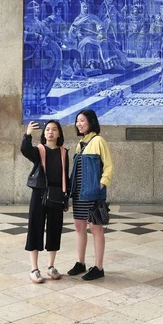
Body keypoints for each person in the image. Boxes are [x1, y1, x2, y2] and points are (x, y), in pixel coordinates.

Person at [21, 120, 69, 284]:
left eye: (54, 129)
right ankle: (34, 269)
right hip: (39, 193)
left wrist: (65, 198)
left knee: (55, 229)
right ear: (44, 134)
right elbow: (25, 150)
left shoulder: (63, 152)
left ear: (59, 134)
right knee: (35, 228)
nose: (50, 132)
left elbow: (65, 177)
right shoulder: (39, 150)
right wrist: (27, 134)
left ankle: (51, 266)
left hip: (56, 195)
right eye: (48, 129)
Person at [68, 109, 113, 281]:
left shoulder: (99, 141)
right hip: (79, 193)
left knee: (96, 228)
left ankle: (99, 267)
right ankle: (80, 263)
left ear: (91, 122)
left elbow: (108, 165)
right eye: (77, 121)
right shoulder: (80, 144)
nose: (78, 124)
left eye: (82, 120)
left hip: (93, 193)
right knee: (79, 227)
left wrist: (102, 183)